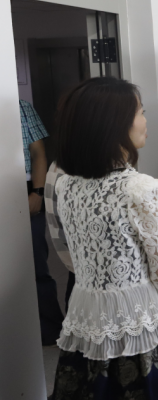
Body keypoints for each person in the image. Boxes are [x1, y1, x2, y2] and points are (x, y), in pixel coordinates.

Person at [46, 77, 158, 399]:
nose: (145, 121)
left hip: (86, 311)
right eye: (141, 112)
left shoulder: (65, 184)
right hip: (139, 314)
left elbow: (69, 247)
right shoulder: (141, 188)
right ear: (114, 123)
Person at [19, 99, 64, 346]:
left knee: (36, 263)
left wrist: (37, 192)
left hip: (24, 188)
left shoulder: (21, 107)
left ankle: (51, 330)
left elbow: (38, 153)